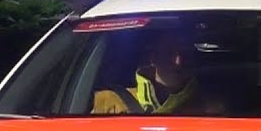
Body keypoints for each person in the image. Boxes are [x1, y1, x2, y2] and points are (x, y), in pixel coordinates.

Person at [91, 31, 223, 115]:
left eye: (185, 53)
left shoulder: (209, 109)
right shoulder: (107, 101)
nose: (179, 61)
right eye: (170, 53)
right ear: (153, 57)